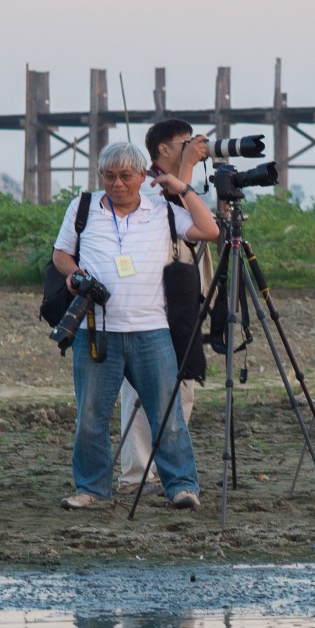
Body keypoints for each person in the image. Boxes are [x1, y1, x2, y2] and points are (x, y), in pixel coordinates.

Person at [50, 138, 218, 509]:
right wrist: (75, 274)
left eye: (126, 176)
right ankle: (92, 489)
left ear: (143, 176)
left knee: (166, 413)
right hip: (97, 329)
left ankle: (182, 486)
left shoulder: (163, 210)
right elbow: (61, 253)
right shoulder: (83, 207)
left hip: (152, 329)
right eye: (109, 176)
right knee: (91, 416)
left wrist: (183, 189)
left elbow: (210, 231)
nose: (117, 184)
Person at [118, 118, 213, 493]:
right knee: (144, 388)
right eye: (185, 143)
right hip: (151, 301)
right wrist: (187, 168)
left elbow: (203, 228)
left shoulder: (184, 187)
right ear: (163, 150)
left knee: (183, 382)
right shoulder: (149, 187)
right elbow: (170, 215)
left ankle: (163, 471)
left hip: (183, 300)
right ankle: (136, 475)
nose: (194, 147)